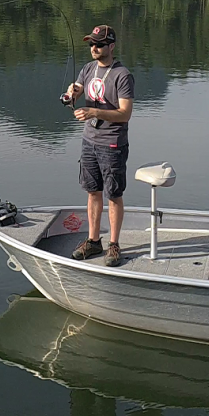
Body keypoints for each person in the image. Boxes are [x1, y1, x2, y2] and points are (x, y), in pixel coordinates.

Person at [65, 25, 134, 266]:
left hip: (112, 143)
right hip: (89, 141)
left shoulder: (122, 75)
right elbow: (79, 88)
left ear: (111, 46)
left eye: (99, 44)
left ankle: (114, 245)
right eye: (91, 44)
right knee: (92, 191)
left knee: (113, 194)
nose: (94, 48)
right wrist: (71, 94)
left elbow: (125, 114)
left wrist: (94, 111)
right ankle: (93, 241)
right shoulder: (88, 69)